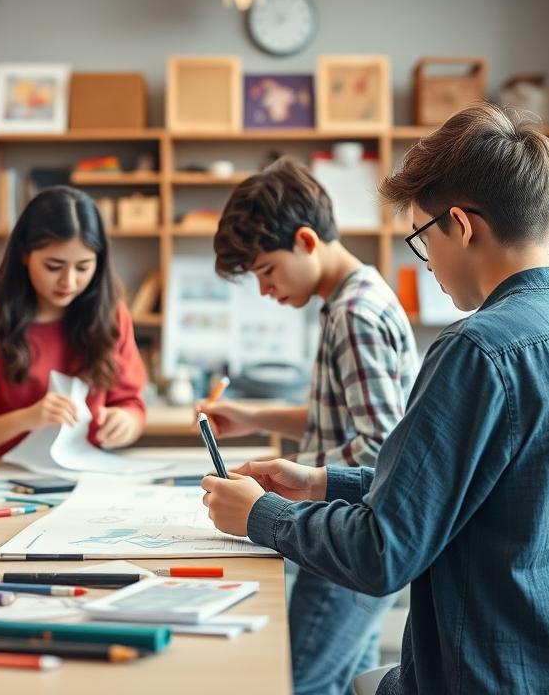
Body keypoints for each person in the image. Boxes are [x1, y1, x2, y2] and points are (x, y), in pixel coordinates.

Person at [201, 104, 549, 694]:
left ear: (460, 226)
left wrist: (260, 516)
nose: (426, 260)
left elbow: (383, 553)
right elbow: (477, 494)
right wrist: (323, 484)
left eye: (421, 238)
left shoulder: (476, 349)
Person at [203, 157, 418, 695]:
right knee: (346, 680)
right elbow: (339, 417)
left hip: (345, 540)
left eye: (267, 271)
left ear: (305, 241)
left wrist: (292, 482)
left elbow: (380, 448)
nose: (264, 290)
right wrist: (252, 415)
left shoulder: (354, 315)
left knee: (302, 681)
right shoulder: (352, 298)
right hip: (347, 532)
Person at [0, 186, 147, 458]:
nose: (68, 281)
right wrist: (26, 419)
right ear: (25, 254)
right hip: (2, 476)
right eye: (53, 266)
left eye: (83, 267)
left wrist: (127, 422)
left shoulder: (111, 316)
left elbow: (132, 405)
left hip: (88, 474)